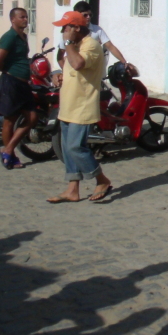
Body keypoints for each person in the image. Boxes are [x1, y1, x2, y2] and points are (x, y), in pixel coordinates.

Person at [46, 11, 114, 203]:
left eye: (66, 28)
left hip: (82, 106)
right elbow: (71, 69)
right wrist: (58, 75)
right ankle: (72, 189)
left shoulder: (91, 45)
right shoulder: (75, 46)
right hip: (68, 104)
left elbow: (77, 64)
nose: (63, 32)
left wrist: (67, 44)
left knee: (76, 147)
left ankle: (101, 179)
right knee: (67, 148)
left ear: (77, 27)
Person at [0, 8, 38, 170]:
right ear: (13, 19)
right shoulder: (9, 37)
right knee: (9, 120)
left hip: (23, 84)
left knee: (32, 117)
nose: (25, 19)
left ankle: (8, 148)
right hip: (10, 82)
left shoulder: (23, 37)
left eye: (26, 17)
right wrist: (9, 71)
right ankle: (10, 156)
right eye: (22, 17)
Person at [55, 2, 132, 80]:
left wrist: (124, 62)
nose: (88, 17)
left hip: (93, 74)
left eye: (90, 15)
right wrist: (67, 72)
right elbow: (60, 57)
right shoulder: (68, 33)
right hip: (76, 73)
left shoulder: (97, 30)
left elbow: (110, 46)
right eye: (85, 15)